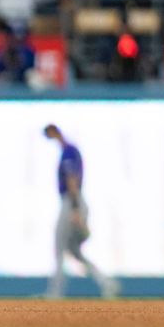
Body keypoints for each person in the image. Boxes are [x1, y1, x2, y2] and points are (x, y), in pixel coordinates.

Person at [43, 124, 118, 299]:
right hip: (74, 203)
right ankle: (107, 283)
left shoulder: (68, 151)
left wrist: (75, 209)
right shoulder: (70, 151)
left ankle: (55, 294)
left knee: (59, 247)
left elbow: (72, 180)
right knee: (74, 251)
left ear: (55, 132)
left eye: (50, 135)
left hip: (71, 202)